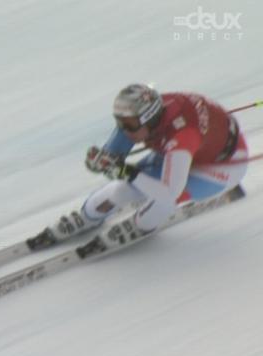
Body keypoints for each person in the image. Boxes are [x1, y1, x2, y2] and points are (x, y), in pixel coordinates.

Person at [36, 83, 249, 246]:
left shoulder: (182, 136)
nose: (123, 129)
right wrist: (102, 162)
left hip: (220, 166)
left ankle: (140, 225)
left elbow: (169, 192)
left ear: (149, 118)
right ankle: (87, 217)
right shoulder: (143, 119)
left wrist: (125, 171)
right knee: (121, 190)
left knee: (163, 200)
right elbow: (113, 157)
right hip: (193, 148)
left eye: (128, 124)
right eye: (119, 122)